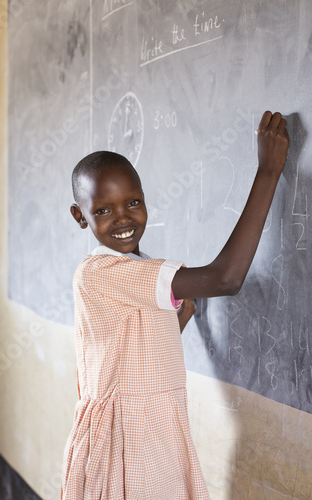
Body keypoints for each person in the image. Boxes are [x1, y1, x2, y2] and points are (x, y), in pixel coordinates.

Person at [61, 111, 289, 499]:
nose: (123, 219)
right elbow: (226, 278)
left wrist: (175, 322)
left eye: (133, 202)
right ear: (79, 216)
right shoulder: (100, 271)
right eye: (103, 210)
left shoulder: (137, 272)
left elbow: (129, 354)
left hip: (154, 432)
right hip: (126, 444)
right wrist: (268, 171)